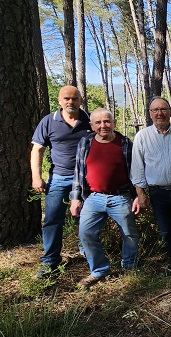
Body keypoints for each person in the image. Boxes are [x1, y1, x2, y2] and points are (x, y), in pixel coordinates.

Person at [69, 108, 140, 287]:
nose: (103, 126)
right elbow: (78, 172)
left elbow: (136, 171)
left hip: (121, 197)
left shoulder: (125, 143)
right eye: (98, 123)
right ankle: (99, 269)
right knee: (85, 233)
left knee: (129, 234)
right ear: (92, 126)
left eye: (107, 121)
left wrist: (139, 195)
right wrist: (75, 198)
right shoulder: (85, 142)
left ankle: (129, 266)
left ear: (114, 123)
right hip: (93, 198)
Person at [31, 85, 92, 277]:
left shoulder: (89, 121)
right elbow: (37, 150)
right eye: (66, 98)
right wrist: (36, 177)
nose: (70, 102)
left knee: (87, 217)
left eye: (74, 99)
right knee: (52, 219)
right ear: (59, 100)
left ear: (80, 101)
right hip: (58, 177)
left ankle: (87, 251)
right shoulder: (49, 121)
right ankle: (50, 260)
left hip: (85, 178)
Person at [130, 97, 171, 273]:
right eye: (155, 110)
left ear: (170, 111)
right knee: (167, 232)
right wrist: (141, 193)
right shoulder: (142, 137)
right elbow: (137, 167)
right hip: (158, 193)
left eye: (163, 109)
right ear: (150, 113)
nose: (159, 113)